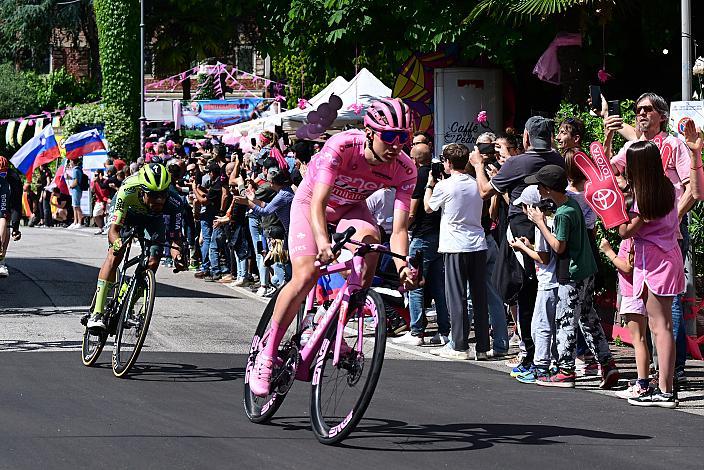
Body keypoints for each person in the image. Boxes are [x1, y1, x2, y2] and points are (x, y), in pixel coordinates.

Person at [248, 98, 419, 397]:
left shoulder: (405, 169)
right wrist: (323, 242)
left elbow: (400, 229)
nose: (396, 145)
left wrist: (404, 265)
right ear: (370, 133)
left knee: (371, 244)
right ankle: (267, 352)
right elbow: (318, 203)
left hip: (351, 208)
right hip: (310, 204)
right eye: (390, 136)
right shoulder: (342, 146)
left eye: (403, 138)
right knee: (305, 275)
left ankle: (334, 322)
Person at [470, 117, 565, 373]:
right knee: (547, 292)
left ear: (526, 137)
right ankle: (551, 355)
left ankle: (531, 356)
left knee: (522, 290)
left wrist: (479, 165)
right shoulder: (558, 159)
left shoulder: (517, 162)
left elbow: (484, 191)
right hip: (554, 226)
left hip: (523, 228)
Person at [523, 165, 619, 389]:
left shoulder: (564, 213)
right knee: (588, 318)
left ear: (547, 189)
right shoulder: (570, 204)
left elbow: (558, 246)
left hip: (572, 273)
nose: (537, 188)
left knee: (566, 320)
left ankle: (566, 371)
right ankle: (607, 363)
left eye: (540, 185)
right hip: (587, 269)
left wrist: (539, 222)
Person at [617, 141, 682, 408]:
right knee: (662, 326)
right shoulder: (665, 187)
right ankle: (665, 386)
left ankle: (665, 390)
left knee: (659, 327)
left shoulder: (644, 196)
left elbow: (624, 231)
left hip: (655, 262)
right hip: (666, 256)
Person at [86, 163, 187, 329]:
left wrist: (178, 256)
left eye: (162, 195)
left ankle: (129, 305)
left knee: (153, 261)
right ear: (142, 190)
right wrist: (117, 242)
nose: (159, 200)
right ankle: (97, 312)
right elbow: (114, 230)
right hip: (128, 213)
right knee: (115, 254)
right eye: (154, 195)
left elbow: (175, 238)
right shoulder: (127, 192)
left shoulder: (175, 201)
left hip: (152, 220)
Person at [424, 143, 488, 360]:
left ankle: (459, 345)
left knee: (456, 297)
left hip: (455, 244)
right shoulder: (475, 183)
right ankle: (482, 346)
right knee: (479, 297)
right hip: (477, 243)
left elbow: (428, 207)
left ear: (448, 163)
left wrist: (430, 185)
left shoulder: (445, 186)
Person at [395, 141, 450, 346]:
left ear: (415, 159)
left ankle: (417, 331)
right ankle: (444, 331)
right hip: (439, 236)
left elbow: (412, 209)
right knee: (438, 286)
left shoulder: (419, 177)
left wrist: (401, 229)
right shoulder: (441, 176)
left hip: (421, 236)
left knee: (415, 285)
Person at [65, 159, 85, 229]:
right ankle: (75, 221)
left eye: (70, 161)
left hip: (76, 189)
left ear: (73, 162)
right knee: (74, 206)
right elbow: (75, 179)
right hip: (75, 190)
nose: (70, 163)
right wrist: (69, 177)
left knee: (77, 206)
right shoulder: (76, 170)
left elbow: (76, 181)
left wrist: (71, 186)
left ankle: (79, 222)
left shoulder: (76, 170)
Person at [0, 157, 11, 277]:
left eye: (2, 173)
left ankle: (1, 262)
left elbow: (3, 215)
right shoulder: (4, 183)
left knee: (6, 227)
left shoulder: (7, 183)